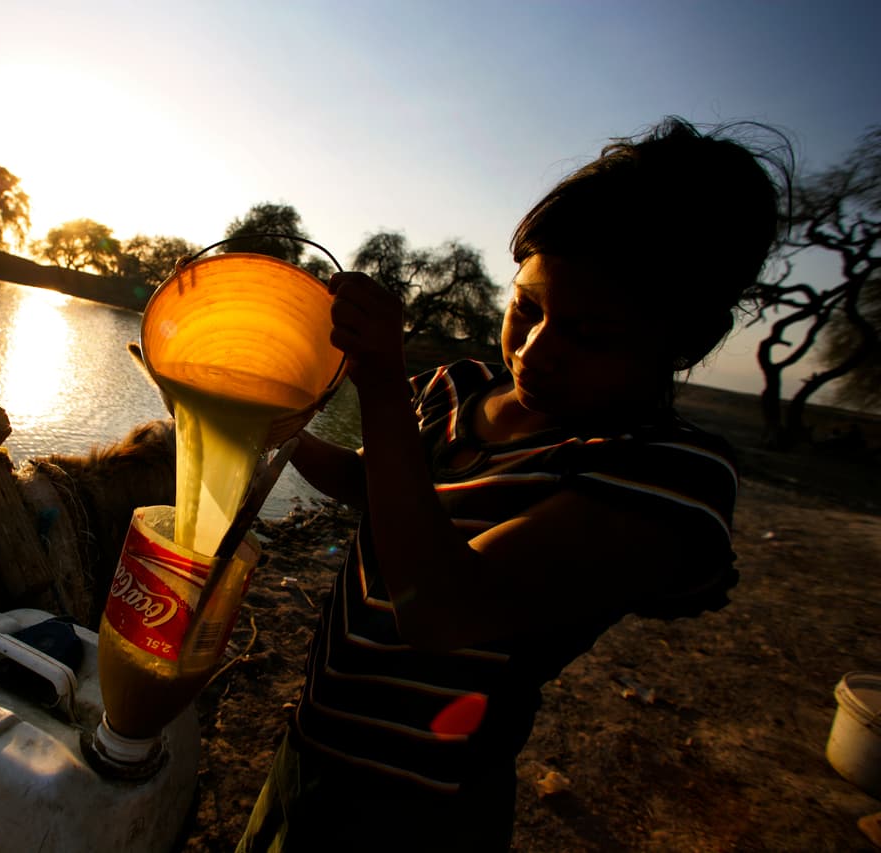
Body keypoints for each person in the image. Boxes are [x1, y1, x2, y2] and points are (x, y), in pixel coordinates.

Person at [236, 117, 789, 851]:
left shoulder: (666, 478)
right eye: (526, 307)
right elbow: (371, 482)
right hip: (310, 745)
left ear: (686, 342)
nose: (536, 350)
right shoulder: (457, 387)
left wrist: (379, 386)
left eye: (590, 336)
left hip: (419, 809)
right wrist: (270, 422)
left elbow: (440, 611)